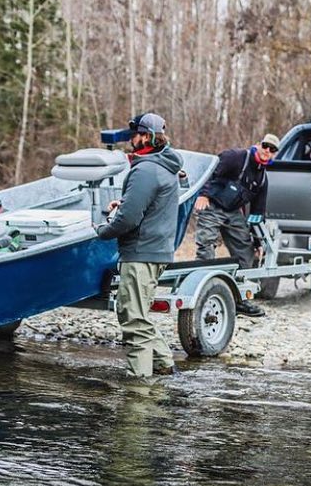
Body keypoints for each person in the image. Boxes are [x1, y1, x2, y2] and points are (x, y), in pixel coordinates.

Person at [96, 113, 185, 379]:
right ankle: (164, 366)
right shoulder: (163, 166)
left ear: (145, 137)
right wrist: (123, 205)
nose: (129, 140)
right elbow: (149, 207)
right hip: (155, 252)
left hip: (140, 254)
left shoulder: (145, 169)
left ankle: (139, 389)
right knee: (139, 315)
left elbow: (129, 219)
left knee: (133, 319)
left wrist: (102, 232)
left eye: (133, 135)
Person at [194, 134, 280, 317]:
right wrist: (203, 195)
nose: (267, 151)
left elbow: (257, 214)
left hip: (233, 213)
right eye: (265, 146)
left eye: (272, 150)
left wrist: (258, 243)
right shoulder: (236, 157)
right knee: (206, 245)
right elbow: (211, 173)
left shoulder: (262, 179)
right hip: (212, 205)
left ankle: (240, 299)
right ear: (258, 144)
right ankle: (204, 293)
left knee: (245, 251)